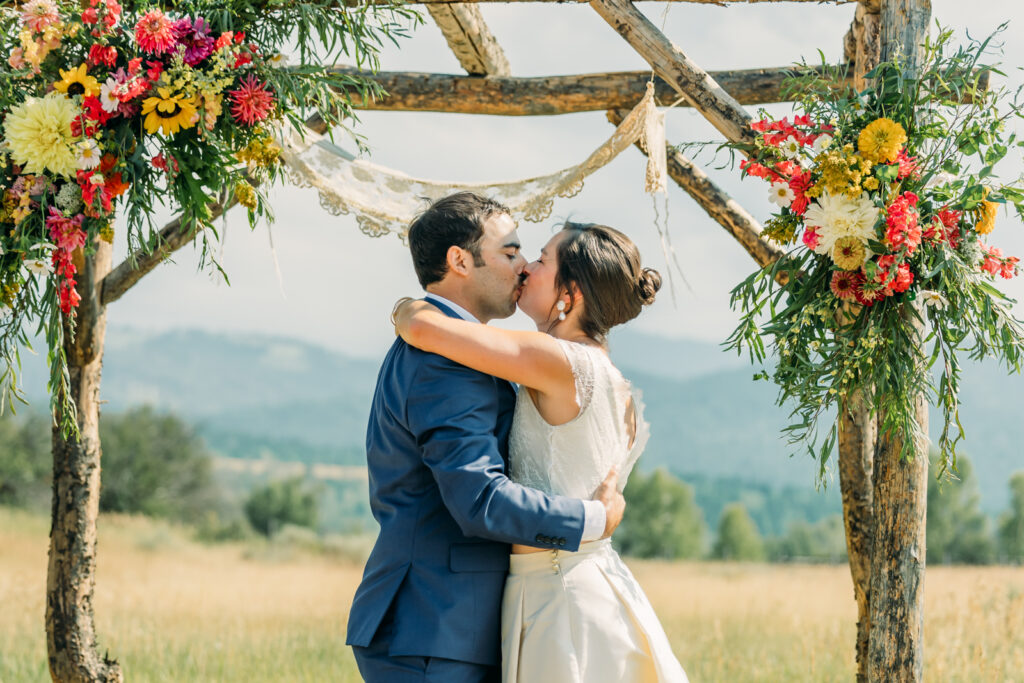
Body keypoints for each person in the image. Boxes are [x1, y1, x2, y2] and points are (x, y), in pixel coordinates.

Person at [393, 217, 689, 682]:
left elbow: (427, 331)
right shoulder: (616, 384)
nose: (527, 267)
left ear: (570, 292)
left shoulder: (553, 359)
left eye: (543, 259)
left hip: (559, 599)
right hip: (587, 581)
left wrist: (407, 309)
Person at [346, 192, 626, 683]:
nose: (522, 268)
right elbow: (479, 499)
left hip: (454, 624)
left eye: (531, 257)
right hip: (434, 627)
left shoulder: (458, 346)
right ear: (460, 260)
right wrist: (594, 518)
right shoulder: (444, 361)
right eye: (511, 252)